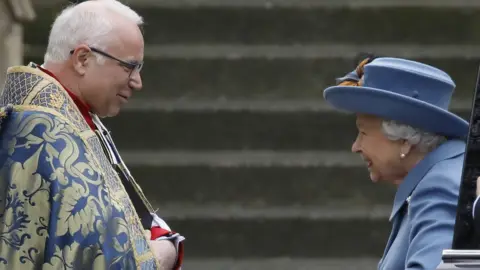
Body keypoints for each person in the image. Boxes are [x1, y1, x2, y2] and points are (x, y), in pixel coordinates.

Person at [0, 0, 184, 269]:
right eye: (128, 67)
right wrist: (164, 252)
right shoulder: (42, 134)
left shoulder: (71, 116)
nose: (137, 82)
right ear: (83, 59)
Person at [323, 56, 468, 270]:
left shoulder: (440, 186)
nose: (355, 146)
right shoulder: (438, 178)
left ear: (404, 141)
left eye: (363, 132)